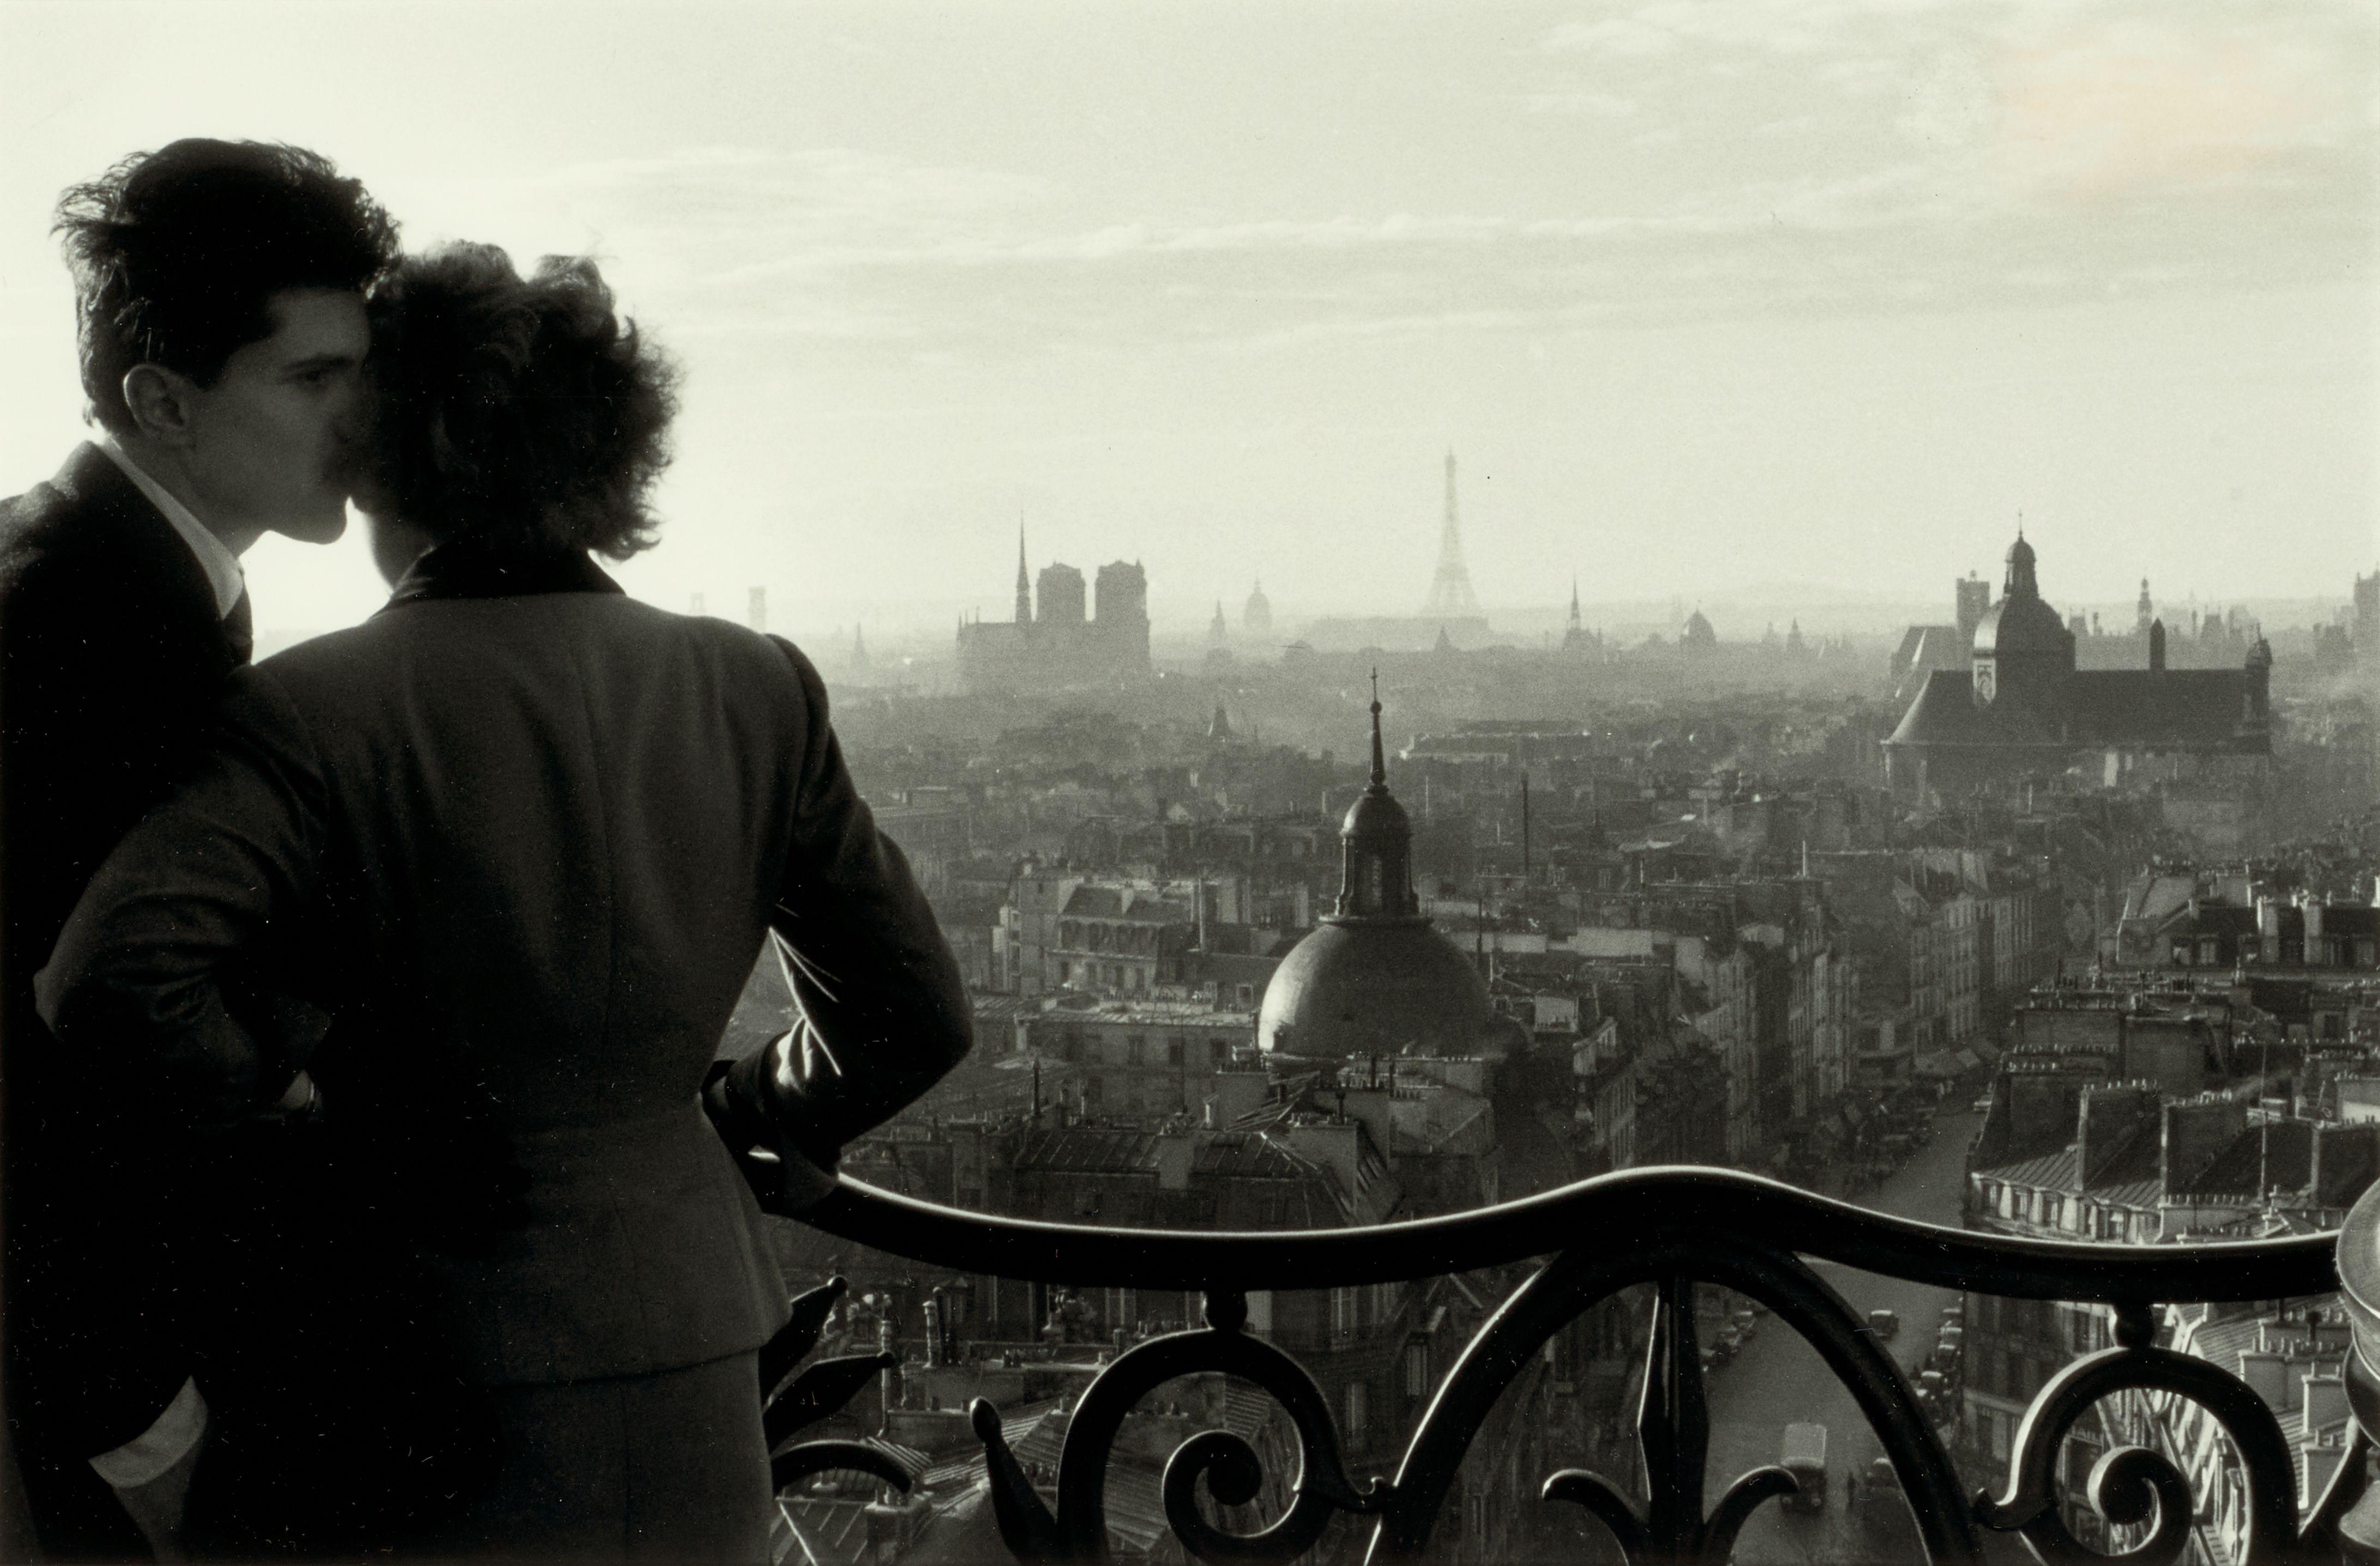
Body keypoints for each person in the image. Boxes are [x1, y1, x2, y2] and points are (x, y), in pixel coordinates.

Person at [37, 240, 972, 1560]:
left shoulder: (312, 711)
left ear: (384, 455)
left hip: (423, 1362)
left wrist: (313, 1110)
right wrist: (738, 1114)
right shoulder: (752, 687)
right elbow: (913, 1013)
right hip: (694, 1339)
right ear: (611, 460)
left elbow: (114, 985)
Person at [0, 139, 396, 1561]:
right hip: (104, 1382)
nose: (361, 417)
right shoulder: (97, 632)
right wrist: (141, 1417)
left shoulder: (78, 568)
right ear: (160, 400)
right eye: (312, 378)